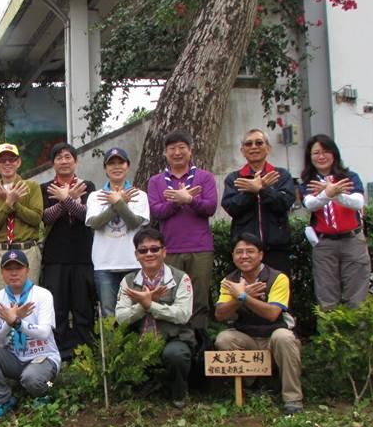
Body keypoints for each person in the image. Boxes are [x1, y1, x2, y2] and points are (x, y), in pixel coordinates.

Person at [214, 233, 304, 415]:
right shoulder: (229, 281)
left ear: (261, 255)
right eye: (239, 252)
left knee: (285, 338)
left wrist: (244, 296)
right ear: (233, 256)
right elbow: (220, 315)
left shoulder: (278, 278)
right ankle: (252, 383)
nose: (244, 256)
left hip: (273, 335)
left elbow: (272, 314)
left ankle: (292, 400)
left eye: (250, 251)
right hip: (247, 336)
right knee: (223, 339)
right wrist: (240, 298)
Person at [114, 228, 195, 408]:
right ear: (136, 255)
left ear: (164, 252)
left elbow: (183, 314)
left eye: (154, 249)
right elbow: (121, 318)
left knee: (176, 355)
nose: (149, 253)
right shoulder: (128, 281)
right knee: (119, 354)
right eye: (143, 250)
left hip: (173, 338)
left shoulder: (181, 278)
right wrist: (143, 306)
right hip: (139, 339)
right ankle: (144, 389)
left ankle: (179, 394)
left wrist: (151, 305)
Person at [147, 130, 217, 333]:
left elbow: (210, 207)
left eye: (181, 148)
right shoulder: (156, 181)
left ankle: (199, 344)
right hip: (170, 248)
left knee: (199, 299)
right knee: (170, 298)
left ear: (190, 150)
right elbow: (157, 211)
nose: (177, 152)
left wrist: (190, 200)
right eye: (172, 149)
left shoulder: (204, 178)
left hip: (200, 248)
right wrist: (178, 202)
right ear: (165, 153)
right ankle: (175, 341)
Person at [0, 249, 60, 419]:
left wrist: (18, 323)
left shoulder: (42, 295)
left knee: (33, 379)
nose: (14, 273)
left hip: (44, 357)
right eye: (8, 269)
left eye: (18, 268)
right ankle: (4, 399)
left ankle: (50, 388)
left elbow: (44, 333)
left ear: (28, 270)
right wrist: (9, 323)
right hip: (14, 358)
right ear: (2, 273)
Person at [300, 135, 371, 309]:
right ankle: (329, 335)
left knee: (356, 298)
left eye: (325, 151)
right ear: (310, 157)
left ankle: (356, 336)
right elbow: (311, 204)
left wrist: (333, 192)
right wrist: (327, 193)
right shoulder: (308, 182)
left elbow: (357, 202)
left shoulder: (349, 177)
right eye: (316, 152)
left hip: (353, 241)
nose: (321, 156)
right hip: (324, 244)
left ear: (334, 154)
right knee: (327, 298)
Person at [40, 142, 94, 360]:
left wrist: (67, 198)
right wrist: (66, 200)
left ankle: (86, 352)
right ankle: (59, 353)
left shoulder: (87, 186)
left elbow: (87, 216)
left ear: (75, 160)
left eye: (68, 156)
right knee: (58, 307)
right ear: (53, 163)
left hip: (83, 256)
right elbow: (45, 218)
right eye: (59, 157)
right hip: (55, 257)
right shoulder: (45, 189)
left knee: (83, 306)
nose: (64, 161)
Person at [85, 148, 150, 317]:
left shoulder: (139, 195)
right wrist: (118, 204)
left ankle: (135, 345)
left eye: (120, 162)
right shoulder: (95, 196)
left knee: (135, 312)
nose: (116, 167)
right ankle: (113, 345)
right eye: (111, 163)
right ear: (105, 168)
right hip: (104, 265)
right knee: (109, 313)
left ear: (127, 166)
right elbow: (95, 224)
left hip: (133, 263)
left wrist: (119, 203)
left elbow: (134, 223)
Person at [221, 129, 295, 273]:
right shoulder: (234, 178)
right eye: (248, 144)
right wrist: (252, 192)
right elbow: (231, 207)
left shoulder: (281, 175)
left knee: (278, 291)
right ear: (242, 150)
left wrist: (263, 190)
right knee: (246, 292)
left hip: (277, 247)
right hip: (245, 250)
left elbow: (284, 203)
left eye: (259, 143)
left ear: (268, 148)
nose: (254, 147)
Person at [0, 143, 43, 295]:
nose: (7, 163)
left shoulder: (32, 186)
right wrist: (7, 203)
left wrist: (13, 203)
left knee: (29, 298)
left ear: (18, 162)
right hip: (1, 251)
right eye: (2, 160)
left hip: (27, 249)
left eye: (12, 159)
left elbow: (36, 219)